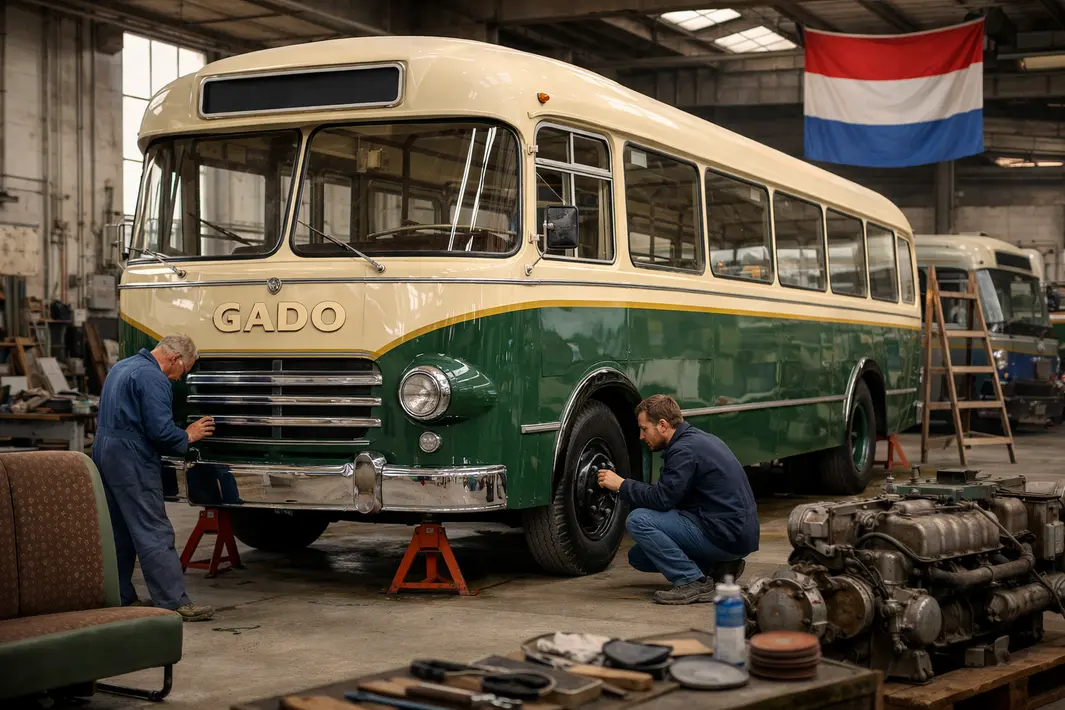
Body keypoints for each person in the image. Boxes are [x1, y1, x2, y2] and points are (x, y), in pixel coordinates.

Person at [92, 334, 217, 621]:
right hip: (130, 457)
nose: (178, 379)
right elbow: (160, 431)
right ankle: (174, 602)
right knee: (153, 529)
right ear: (174, 358)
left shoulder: (121, 366)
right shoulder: (153, 378)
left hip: (104, 451)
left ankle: (121, 596)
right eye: (182, 372)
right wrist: (188, 434)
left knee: (119, 529)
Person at [597, 394, 759, 605]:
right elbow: (673, 497)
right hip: (734, 533)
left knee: (638, 521)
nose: (640, 436)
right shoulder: (699, 439)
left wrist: (621, 485)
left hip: (726, 534)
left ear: (663, 425)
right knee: (639, 556)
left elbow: (662, 499)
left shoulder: (684, 450)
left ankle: (692, 582)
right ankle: (720, 567)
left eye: (644, 429)